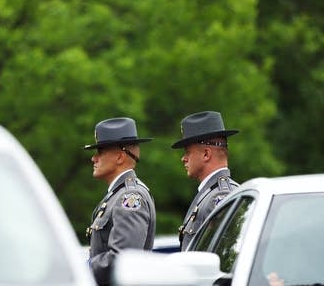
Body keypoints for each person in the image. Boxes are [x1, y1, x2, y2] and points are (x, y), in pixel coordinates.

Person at [84, 117, 156, 286]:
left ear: (119, 157)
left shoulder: (130, 197)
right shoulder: (118, 194)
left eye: (100, 152)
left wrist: (82, 269)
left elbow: (122, 259)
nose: (93, 159)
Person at [171, 110, 239, 251]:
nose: (183, 158)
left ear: (206, 154)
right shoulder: (210, 193)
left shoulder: (220, 196)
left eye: (187, 151)